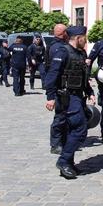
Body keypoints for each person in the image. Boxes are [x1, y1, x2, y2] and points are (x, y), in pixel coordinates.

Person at [44, 26, 96, 179]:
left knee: (70, 130)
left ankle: (69, 163)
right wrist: (50, 97)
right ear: (77, 38)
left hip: (78, 95)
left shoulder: (81, 53)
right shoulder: (63, 51)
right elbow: (52, 74)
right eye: (84, 38)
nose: (85, 41)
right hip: (66, 96)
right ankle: (64, 160)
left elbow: (83, 76)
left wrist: (90, 92)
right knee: (80, 128)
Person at [46, 24, 68, 154]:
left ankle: (64, 141)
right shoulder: (58, 48)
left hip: (63, 86)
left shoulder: (53, 45)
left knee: (65, 117)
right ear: (64, 33)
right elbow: (53, 72)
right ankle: (55, 144)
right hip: (59, 86)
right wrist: (50, 96)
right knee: (60, 117)